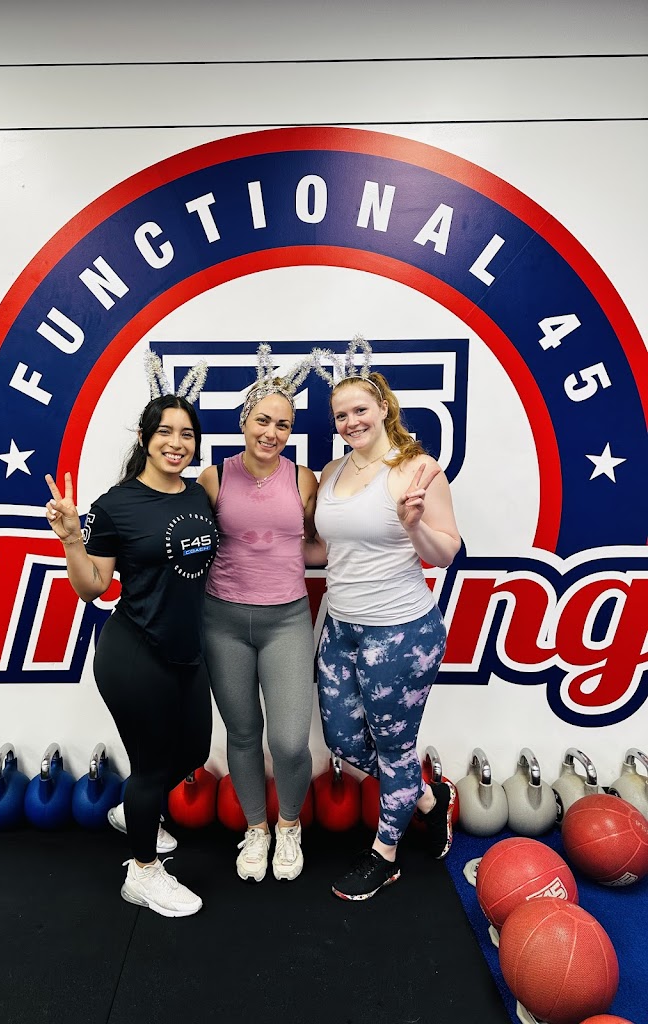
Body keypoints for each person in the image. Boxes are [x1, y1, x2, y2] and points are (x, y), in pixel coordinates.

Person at [44, 353, 218, 917]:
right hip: (135, 650)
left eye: (187, 434)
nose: (177, 443)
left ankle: (131, 811)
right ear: (144, 439)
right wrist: (72, 540)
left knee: (193, 750)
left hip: (187, 650)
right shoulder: (115, 505)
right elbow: (92, 587)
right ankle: (142, 873)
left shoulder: (197, 495)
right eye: (165, 431)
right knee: (151, 767)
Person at [307, 338, 461, 901]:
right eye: (340, 415)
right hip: (341, 625)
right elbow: (325, 550)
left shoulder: (416, 469)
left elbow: (446, 552)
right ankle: (428, 798)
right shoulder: (331, 471)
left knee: (395, 749)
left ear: (383, 407)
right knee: (344, 739)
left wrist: (413, 525)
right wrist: (255, 547)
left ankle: (386, 855)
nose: (350, 422)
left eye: (360, 410)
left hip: (400, 632)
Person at [197, 345, 318, 883]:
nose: (271, 432)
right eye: (263, 420)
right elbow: (189, 544)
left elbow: (320, 543)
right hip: (222, 620)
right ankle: (257, 828)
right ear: (244, 421)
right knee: (243, 733)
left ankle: (288, 825)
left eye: (283, 424)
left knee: (289, 741)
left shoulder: (305, 479)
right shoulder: (214, 477)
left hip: (286, 620)